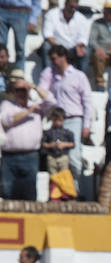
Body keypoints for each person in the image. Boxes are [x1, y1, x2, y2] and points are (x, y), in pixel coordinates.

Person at [38, 44, 92, 192]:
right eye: (51, 59)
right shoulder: (53, 78)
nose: (53, 62)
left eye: (55, 58)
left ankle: (74, 190)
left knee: (74, 157)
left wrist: (86, 125)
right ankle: (61, 191)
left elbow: (87, 101)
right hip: (58, 121)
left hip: (74, 119)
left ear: (63, 58)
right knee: (56, 157)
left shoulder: (78, 76)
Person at [0, 73, 55, 201]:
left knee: (29, 194)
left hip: (31, 156)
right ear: (13, 91)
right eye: (18, 90)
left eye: (24, 90)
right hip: (10, 157)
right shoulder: (7, 105)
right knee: (8, 192)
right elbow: (8, 120)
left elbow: (51, 102)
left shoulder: (36, 106)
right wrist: (29, 111)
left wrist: (34, 86)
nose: (21, 93)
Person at [41, 0, 90, 72]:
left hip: (72, 49)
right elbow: (47, 35)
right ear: (65, 4)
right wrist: (59, 48)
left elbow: (83, 38)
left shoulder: (81, 18)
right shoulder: (52, 14)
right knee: (46, 46)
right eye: (71, 7)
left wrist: (79, 46)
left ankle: (80, 78)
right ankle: (48, 75)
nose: (73, 10)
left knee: (86, 51)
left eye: (75, 8)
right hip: (55, 47)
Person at [0, 0, 41, 71]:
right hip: (2, 9)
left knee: (20, 48)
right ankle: (2, 72)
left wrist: (33, 19)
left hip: (21, 11)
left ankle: (19, 75)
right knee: (1, 47)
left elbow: (37, 2)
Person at [42, 106, 74, 176]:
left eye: (60, 120)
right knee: (53, 177)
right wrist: (51, 145)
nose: (57, 122)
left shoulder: (67, 132)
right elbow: (43, 144)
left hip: (63, 157)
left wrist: (64, 144)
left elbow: (72, 144)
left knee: (64, 176)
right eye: (55, 120)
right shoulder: (48, 132)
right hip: (51, 157)